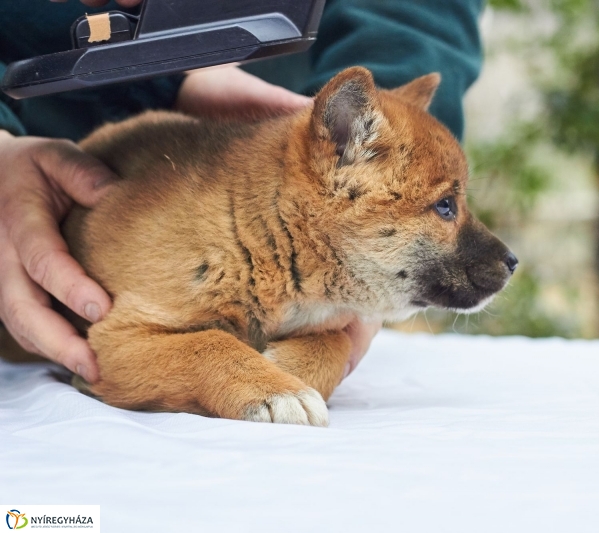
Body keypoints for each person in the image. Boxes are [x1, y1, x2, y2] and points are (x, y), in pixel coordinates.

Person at [0, 0, 483, 383]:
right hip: (49, 171)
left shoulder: (344, 180)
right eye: (445, 207)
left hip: (255, 117)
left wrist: (398, 137)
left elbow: (418, 13)